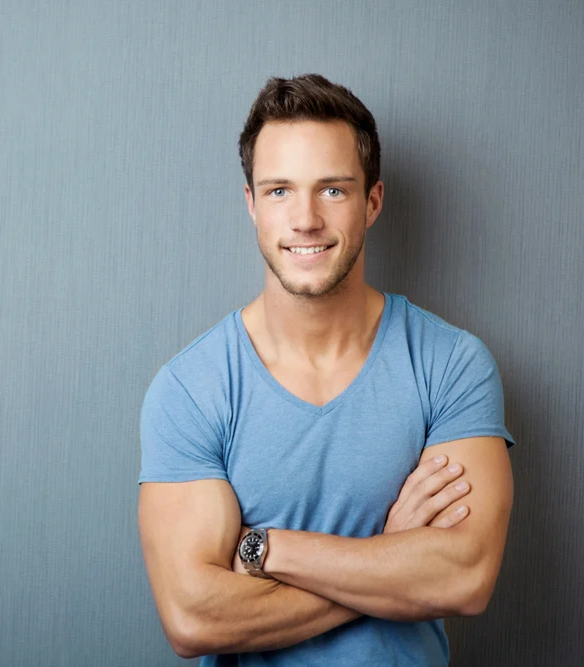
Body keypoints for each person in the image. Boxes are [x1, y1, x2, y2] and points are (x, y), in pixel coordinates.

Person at [137, 73, 515, 666]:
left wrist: (266, 548)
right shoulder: (190, 389)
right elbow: (193, 618)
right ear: (252, 206)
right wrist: (389, 556)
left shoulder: (451, 365)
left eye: (333, 190)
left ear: (373, 201)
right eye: (280, 190)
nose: (306, 219)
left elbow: (463, 577)